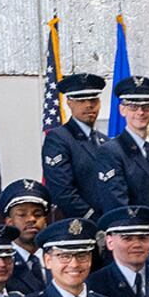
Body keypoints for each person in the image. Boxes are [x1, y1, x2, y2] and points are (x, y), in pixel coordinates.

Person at [102, 76, 149, 237]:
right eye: (133, 106)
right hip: (131, 238)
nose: (140, 112)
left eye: (146, 106)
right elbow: (117, 203)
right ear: (122, 110)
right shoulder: (111, 151)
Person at [42, 72, 111, 220]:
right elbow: (62, 191)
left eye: (93, 99)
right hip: (77, 224)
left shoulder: (105, 141)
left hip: (108, 221)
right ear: (69, 102)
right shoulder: (59, 139)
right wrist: (92, 217)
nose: (89, 105)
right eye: (81, 100)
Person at [0, 179, 52, 297]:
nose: (31, 219)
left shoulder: (58, 258)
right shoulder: (1, 263)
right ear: (9, 222)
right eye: (22, 215)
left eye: (37, 214)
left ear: (45, 222)